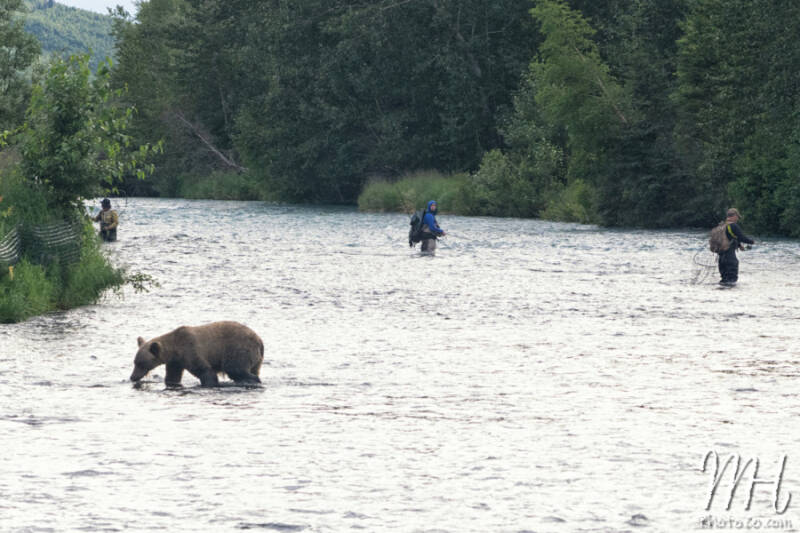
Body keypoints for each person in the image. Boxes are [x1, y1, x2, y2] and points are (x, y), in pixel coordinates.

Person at [717, 207, 754, 285]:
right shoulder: (733, 226)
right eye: (737, 217)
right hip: (729, 257)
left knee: (724, 279)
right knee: (731, 280)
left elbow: (730, 237)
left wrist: (739, 245)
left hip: (721, 257)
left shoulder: (722, 225)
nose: (737, 219)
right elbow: (741, 237)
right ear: (734, 216)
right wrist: (751, 242)